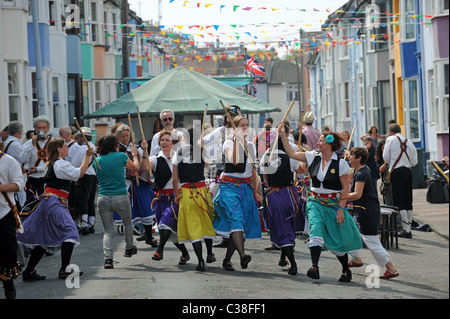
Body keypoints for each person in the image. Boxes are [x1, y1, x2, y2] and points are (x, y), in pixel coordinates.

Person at [279, 127, 362, 282]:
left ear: (329, 143)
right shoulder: (312, 156)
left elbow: (345, 189)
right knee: (315, 232)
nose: (317, 142)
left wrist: (341, 209)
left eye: (321, 140)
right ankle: (314, 267)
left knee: (335, 240)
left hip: (333, 204)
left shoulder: (341, 164)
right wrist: (283, 136)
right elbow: (292, 154)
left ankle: (345, 270)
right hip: (315, 202)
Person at [17, 138, 93, 281]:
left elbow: (75, 173)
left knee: (43, 238)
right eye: (65, 146)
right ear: (59, 149)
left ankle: (28, 271)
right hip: (54, 202)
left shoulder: (52, 163)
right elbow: (79, 173)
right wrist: (87, 156)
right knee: (70, 231)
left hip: (49, 202)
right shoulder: (60, 164)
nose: (67, 149)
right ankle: (64, 269)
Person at [213, 115, 261, 271]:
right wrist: (237, 141)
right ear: (235, 128)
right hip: (229, 188)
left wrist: (256, 190)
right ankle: (242, 255)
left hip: (245, 189)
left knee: (239, 225)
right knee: (237, 220)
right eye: (242, 125)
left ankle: (227, 259)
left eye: (247, 124)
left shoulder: (251, 146)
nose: (246, 127)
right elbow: (234, 160)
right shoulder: (228, 142)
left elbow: (252, 170)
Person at [347, 147, 399, 280]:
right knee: (351, 233)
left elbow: (357, 194)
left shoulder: (361, 173)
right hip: (365, 210)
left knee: (372, 241)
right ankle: (357, 259)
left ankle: (391, 268)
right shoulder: (361, 170)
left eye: (351, 155)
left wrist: (341, 197)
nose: (349, 157)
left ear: (358, 158)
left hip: (366, 212)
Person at [259, 127, 305, 275]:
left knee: (280, 226)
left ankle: (291, 263)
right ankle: (287, 259)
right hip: (289, 194)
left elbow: (265, 178)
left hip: (273, 195)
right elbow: (301, 170)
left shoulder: (266, 156)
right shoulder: (290, 157)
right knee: (287, 226)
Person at [93, 135, 140, 269]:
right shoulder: (122, 156)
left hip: (103, 197)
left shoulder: (97, 160)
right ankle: (129, 247)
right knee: (127, 224)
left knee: (108, 231)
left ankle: (108, 259)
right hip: (120, 195)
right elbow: (135, 168)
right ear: (115, 146)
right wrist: (135, 155)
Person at [172, 127, 216, 271]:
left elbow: (175, 178)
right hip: (202, 191)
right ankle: (210, 253)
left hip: (187, 192)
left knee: (194, 226)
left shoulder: (178, 153)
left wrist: (176, 195)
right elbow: (206, 165)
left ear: (185, 138)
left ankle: (201, 260)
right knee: (206, 222)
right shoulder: (202, 151)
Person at [149, 129, 190, 264]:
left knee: (166, 223)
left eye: (167, 140)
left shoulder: (180, 158)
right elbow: (144, 167)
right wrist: (142, 152)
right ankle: (185, 253)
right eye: (162, 140)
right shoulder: (155, 159)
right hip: (161, 199)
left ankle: (159, 251)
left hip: (177, 197)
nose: (164, 142)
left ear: (173, 143)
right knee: (170, 232)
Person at [203, 105, 241, 248]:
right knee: (221, 204)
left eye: (233, 115)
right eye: (228, 115)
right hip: (223, 172)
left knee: (236, 207)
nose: (230, 118)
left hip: (239, 174)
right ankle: (226, 237)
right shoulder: (221, 131)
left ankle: (236, 235)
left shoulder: (242, 130)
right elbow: (204, 141)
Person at [115, 124, 155, 246]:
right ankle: (129, 242)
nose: (125, 138)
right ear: (118, 137)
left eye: (127, 136)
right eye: (122, 136)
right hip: (126, 183)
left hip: (140, 183)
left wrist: (144, 150)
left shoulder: (136, 147)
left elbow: (144, 164)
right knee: (129, 213)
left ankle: (149, 237)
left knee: (147, 209)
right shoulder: (117, 150)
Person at [383, 124, 418, 238]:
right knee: (408, 200)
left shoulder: (390, 139)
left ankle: (406, 230)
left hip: (397, 172)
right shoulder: (409, 142)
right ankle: (408, 228)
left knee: (399, 200)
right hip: (408, 171)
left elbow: (386, 157)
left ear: (391, 132)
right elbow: (414, 162)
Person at [0, 150, 25, 299]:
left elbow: (19, 185)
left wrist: (2, 188)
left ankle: (7, 280)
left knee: (8, 250)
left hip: (4, 211)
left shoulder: (8, 161)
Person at [18, 115, 52, 208]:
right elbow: (22, 159)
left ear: (48, 128)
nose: (41, 130)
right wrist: (32, 145)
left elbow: (55, 163)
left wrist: (39, 169)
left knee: (48, 208)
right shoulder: (28, 143)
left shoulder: (53, 143)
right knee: (32, 207)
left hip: (49, 180)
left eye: (44, 127)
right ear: (34, 129)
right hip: (33, 180)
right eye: (38, 127)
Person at [71, 127, 98, 235]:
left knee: (83, 200)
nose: (77, 138)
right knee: (91, 200)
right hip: (93, 176)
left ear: (82, 138)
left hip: (84, 175)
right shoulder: (95, 147)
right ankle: (91, 225)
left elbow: (74, 163)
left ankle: (85, 225)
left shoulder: (82, 148)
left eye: (78, 137)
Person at [3, 121, 26, 208]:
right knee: (20, 194)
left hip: (12, 171)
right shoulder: (15, 144)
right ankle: (21, 209)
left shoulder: (9, 141)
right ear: (20, 132)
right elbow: (25, 158)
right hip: (17, 172)